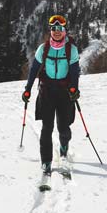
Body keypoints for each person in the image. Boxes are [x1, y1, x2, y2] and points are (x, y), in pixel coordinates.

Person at [22, 14, 80, 175]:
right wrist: (27, 89)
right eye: (53, 29)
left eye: (59, 29)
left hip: (64, 92)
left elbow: (75, 72)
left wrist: (75, 89)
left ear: (64, 31)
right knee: (47, 128)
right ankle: (46, 161)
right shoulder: (43, 48)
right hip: (46, 92)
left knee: (63, 127)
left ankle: (64, 145)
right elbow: (34, 70)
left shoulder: (71, 49)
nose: (56, 32)